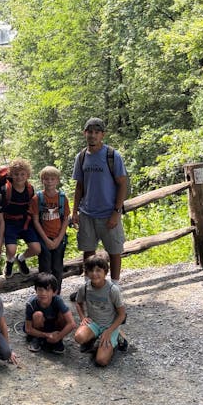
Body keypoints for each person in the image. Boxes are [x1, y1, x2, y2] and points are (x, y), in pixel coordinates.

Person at [71, 117, 127, 285]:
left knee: (114, 251)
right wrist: (75, 211)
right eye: (90, 132)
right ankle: (89, 285)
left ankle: (114, 287)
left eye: (97, 132)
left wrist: (116, 212)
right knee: (88, 251)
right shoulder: (81, 157)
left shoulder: (112, 156)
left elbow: (122, 184)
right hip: (87, 213)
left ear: (103, 135)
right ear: (84, 133)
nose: (93, 135)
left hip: (109, 212)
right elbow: (79, 186)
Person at [73, 254, 126, 367]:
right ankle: (93, 340)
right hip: (94, 323)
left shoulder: (112, 290)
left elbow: (122, 315)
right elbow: (78, 302)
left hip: (110, 326)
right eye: (91, 270)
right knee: (79, 337)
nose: (94, 274)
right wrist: (83, 317)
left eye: (98, 270)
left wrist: (109, 331)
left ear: (105, 272)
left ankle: (117, 338)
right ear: (86, 273)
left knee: (101, 361)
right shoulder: (85, 288)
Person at [29, 166, 70, 293]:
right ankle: (43, 293)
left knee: (57, 267)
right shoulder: (37, 198)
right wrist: (46, 240)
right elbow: (36, 220)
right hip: (43, 238)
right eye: (46, 179)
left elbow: (65, 219)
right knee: (45, 268)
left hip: (59, 237)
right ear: (42, 180)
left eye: (53, 179)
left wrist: (58, 239)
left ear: (57, 180)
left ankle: (56, 294)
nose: (50, 181)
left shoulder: (62, 198)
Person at [0, 158, 40, 278]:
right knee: (11, 250)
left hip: (25, 222)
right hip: (9, 223)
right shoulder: (6, 189)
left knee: (36, 249)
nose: (19, 177)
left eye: (23, 174)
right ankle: (10, 261)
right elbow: (0, 210)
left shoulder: (30, 189)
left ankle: (21, 258)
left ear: (27, 175)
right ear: (11, 175)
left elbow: (32, 207)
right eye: (16, 174)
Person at [24, 273, 76, 354]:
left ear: (54, 292)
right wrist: (46, 335)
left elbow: (72, 323)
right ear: (36, 290)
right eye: (40, 289)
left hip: (53, 327)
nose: (43, 293)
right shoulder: (31, 303)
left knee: (63, 314)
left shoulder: (58, 301)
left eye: (47, 290)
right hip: (38, 328)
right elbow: (28, 329)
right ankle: (37, 338)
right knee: (38, 315)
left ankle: (56, 341)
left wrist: (59, 337)